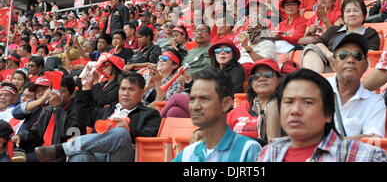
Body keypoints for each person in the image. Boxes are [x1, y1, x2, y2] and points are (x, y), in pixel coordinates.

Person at [257, 68, 387, 162]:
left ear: (328, 114)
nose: (295, 110)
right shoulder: (269, 154)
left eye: (307, 102)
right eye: (288, 102)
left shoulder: (361, 155)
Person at [33, 72, 161, 162]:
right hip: (98, 155)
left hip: (123, 156)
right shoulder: (107, 110)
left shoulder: (149, 114)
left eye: (131, 90)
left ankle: (63, 149)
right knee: (79, 157)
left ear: (142, 92)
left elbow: (151, 137)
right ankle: (69, 149)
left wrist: (130, 130)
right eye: (123, 89)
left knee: (121, 132)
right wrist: (87, 89)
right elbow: (83, 118)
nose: (125, 94)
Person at [172, 67, 262, 162]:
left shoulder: (248, 149)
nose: (195, 106)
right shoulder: (188, 153)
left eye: (204, 99)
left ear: (226, 104)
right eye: (192, 99)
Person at [328, 33, 386, 139]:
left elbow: (373, 139)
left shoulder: (375, 102)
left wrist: (330, 144)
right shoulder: (317, 89)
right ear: (333, 64)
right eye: (343, 55)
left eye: (357, 56)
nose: (350, 60)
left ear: (366, 65)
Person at [302, 0, 380, 73]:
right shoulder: (334, 29)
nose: (351, 14)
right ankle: (313, 82)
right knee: (311, 49)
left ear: (364, 15)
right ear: (343, 16)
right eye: (348, 11)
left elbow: (370, 56)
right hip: (328, 66)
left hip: (352, 68)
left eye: (356, 11)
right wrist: (328, 54)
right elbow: (318, 42)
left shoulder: (370, 33)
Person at [12, 76, 79, 162]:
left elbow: (69, 133)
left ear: (72, 94)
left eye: (61, 92)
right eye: (55, 92)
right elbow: (36, 131)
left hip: (60, 154)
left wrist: (57, 108)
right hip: (41, 151)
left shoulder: (77, 109)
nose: (56, 95)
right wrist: (20, 136)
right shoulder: (48, 109)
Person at [226, 59, 281, 145]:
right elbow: (218, 131)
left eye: (268, 75)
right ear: (252, 84)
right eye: (256, 77)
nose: (261, 79)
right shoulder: (239, 110)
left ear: (279, 80)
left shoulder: (286, 110)